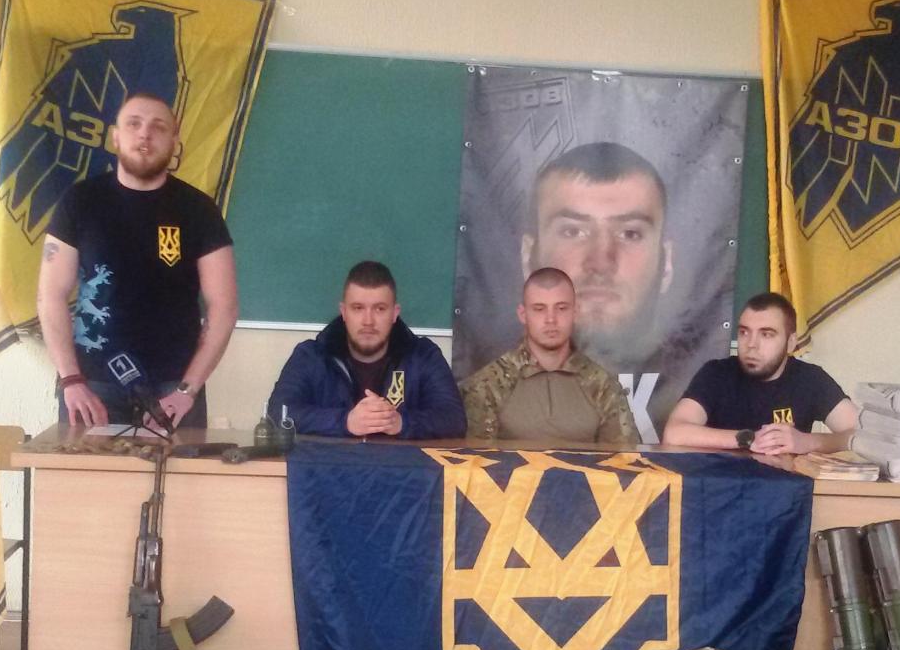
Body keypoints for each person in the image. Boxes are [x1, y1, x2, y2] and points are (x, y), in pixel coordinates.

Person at [37, 92, 238, 430]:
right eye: (134, 124)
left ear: (174, 141)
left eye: (159, 127)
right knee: (84, 469)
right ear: (116, 136)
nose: (145, 134)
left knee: (179, 469)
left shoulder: (199, 210)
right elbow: (50, 296)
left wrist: (187, 390)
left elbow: (225, 307)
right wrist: (70, 379)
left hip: (174, 389)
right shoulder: (80, 202)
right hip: (91, 387)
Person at [521, 142, 673, 375]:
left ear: (667, 265)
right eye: (572, 232)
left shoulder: (702, 387)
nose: (601, 264)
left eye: (630, 234)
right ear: (527, 258)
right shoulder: (483, 389)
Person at [268, 261, 466, 439]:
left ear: (394, 313)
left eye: (379, 309)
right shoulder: (311, 355)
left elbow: (454, 419)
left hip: (402, 467)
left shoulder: (423, 355)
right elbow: (277, 413)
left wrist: (401, 422)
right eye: (358, 308)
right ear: (344, 312)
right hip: (331, 466)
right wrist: (345, 422)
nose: (368, 321)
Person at [662, 292, 858, 455]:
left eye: (766, 334)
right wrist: (748, 439)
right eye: (744, 332)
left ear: (790, 343)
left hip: (785, 488)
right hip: (721, 486)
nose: (752, 344)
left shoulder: (810, 379)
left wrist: (808, 442)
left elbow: (861, 435)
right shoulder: (716, 374)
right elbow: (674, 433)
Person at [460, 268, 637, 444]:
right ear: (523, 315)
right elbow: (475, 458)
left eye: (561, 308)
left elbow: (623, 457)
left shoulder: (603, 386)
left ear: (575, 312)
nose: (551, 319)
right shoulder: (488, 385)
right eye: (539, 309)